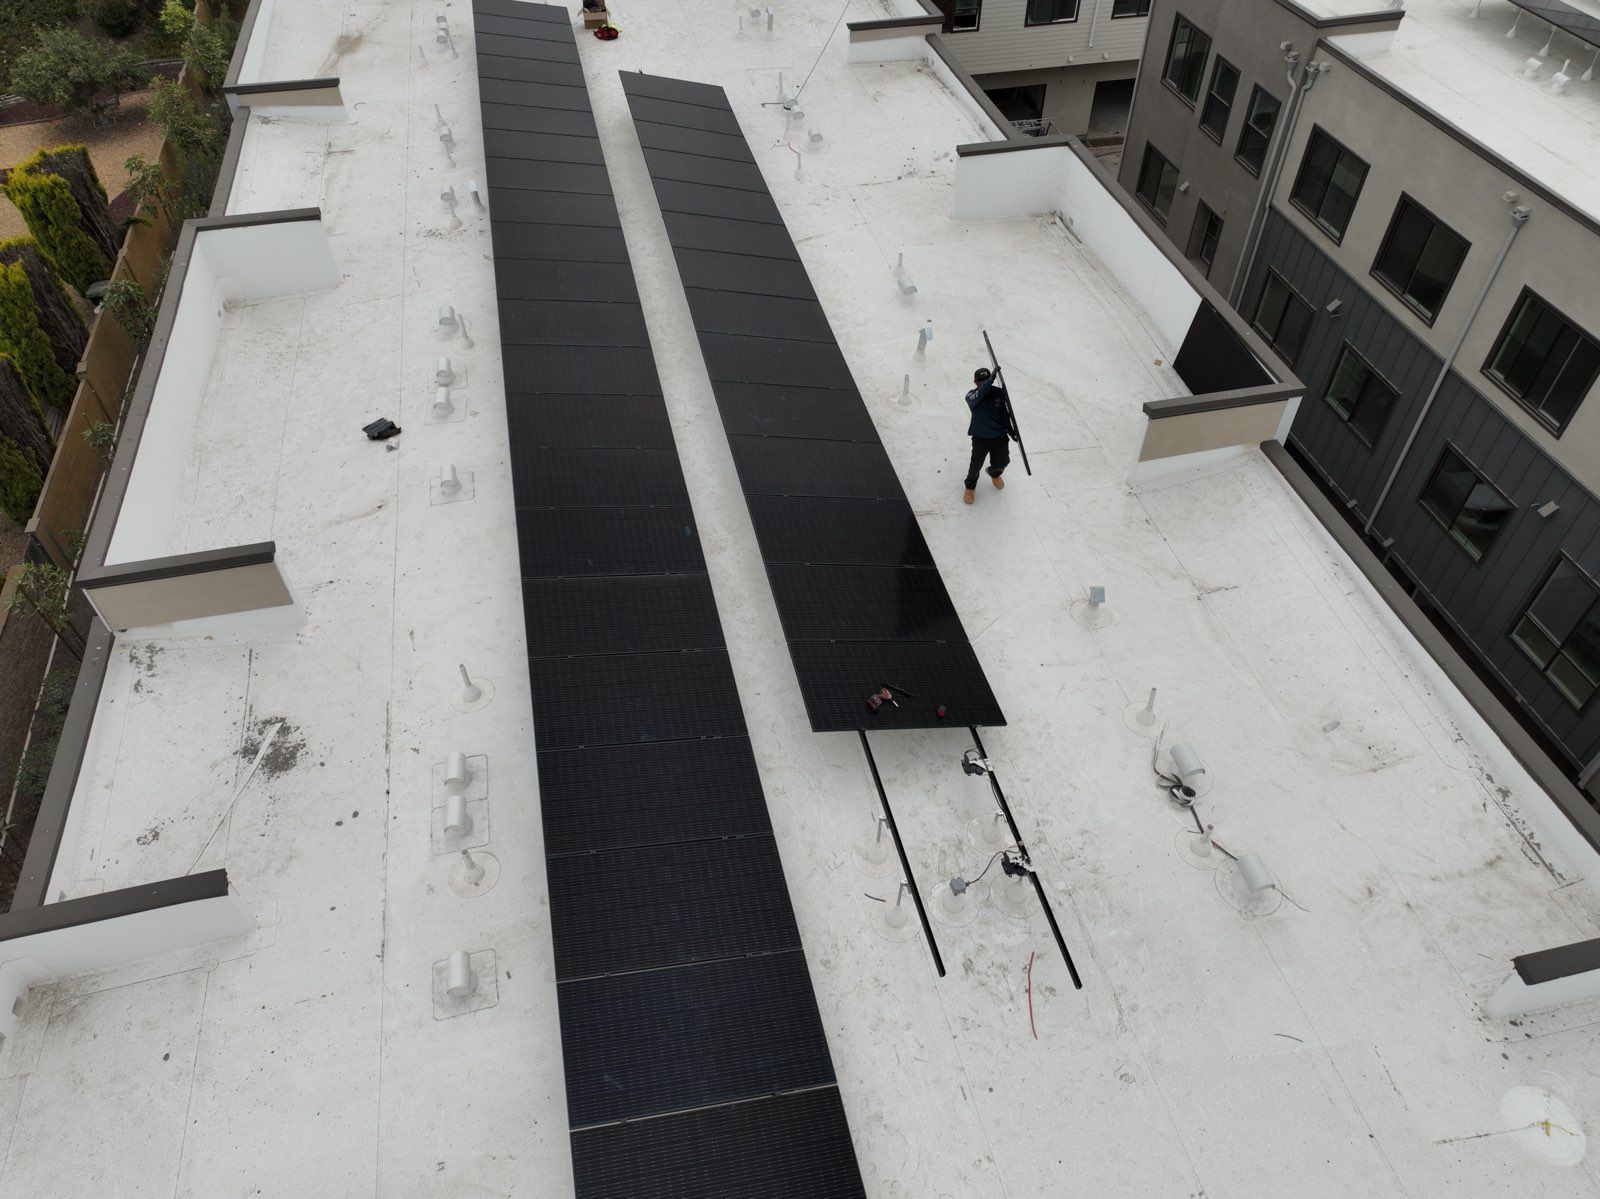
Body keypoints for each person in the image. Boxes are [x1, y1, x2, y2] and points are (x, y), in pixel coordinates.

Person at [962, 367, 1011, 505]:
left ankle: (994, 473)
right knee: (975, 467)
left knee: (1003, 462)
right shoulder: (972, 396)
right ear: (975, 382)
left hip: (999, 435)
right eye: (981, 381)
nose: (984, 384)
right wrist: (989, 382)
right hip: (981, 437)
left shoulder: (998, 393)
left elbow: (1004, 413)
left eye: (987, 380)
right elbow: (979, 392)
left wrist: (1010, 429)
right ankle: (970, 488)